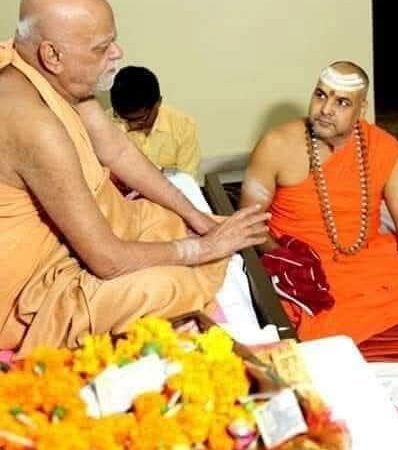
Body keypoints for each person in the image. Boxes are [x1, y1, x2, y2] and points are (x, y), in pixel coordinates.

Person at [0, 0, 268, 357]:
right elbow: (107, 260)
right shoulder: (34, 125)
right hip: (29, 290)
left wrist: (197, 218)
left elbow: (117, 151)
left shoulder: (46, 72)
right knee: (169, 285)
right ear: (52, 55)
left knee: (177, 223)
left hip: (85, 234)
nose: (117, 53)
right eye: (101, 48)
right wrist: (206, 248)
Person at [240, 61, 398, 361]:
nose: (325, 109)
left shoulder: (386, 148)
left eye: (341, 102)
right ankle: (364, 319)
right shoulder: (277, 144)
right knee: (290, 303)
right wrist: (289, 263)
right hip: (304, 265)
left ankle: (344, 323)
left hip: (363, 259)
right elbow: (249, 222)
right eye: (320, 95)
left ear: (361, 110)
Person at [110, 65, 202, 180]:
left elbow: (186, 178)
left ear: (158, 102)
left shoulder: (183, 127)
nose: (131, 125)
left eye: (141, 119)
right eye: (124, 119)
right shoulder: (105, 124)